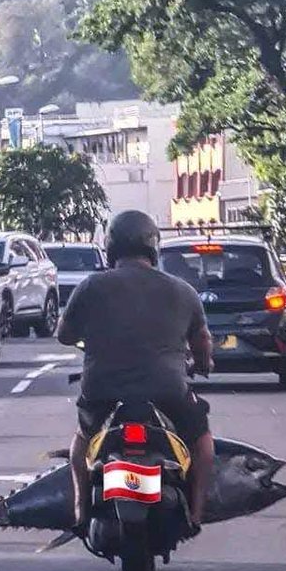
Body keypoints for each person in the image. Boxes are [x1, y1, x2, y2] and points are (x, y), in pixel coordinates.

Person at [56, 210, 214, 531]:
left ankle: (80, 508)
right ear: (153, 246)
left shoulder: (91, 286)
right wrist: (202, 364)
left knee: (83, 439)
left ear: (111, 247)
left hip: (101, 391)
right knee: (202, 441)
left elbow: (64, 335)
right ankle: (197, 512)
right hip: (168, 392)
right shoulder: (182, 290)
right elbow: (202, 341)